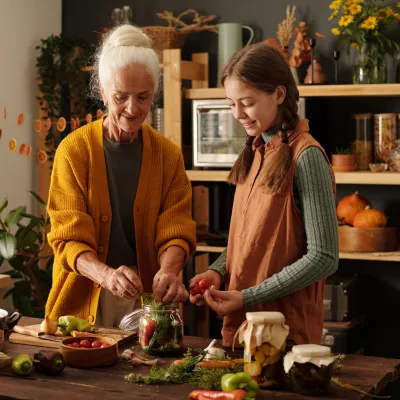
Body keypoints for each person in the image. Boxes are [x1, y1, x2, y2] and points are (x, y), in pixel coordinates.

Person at [45, 24, 196, 327]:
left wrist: (167, 271)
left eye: (143, 97)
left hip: (147, 304)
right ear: (102, 90)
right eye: (120, 96)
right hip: (84, 296)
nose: (132, 108)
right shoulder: (73, 151)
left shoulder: (168, 155)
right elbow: (67, 238)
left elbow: (176, 227)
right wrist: (106, 274)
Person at [190, 42, 339, 347]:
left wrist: (247, 296)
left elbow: (324, 258)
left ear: (279, 94)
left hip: (286, 338)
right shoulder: (256, 152)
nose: (238, 114)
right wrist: (216, 272)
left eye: (247, 102)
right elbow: (250, 241)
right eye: (231, 103)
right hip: (242, 332)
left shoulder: (307, 157)